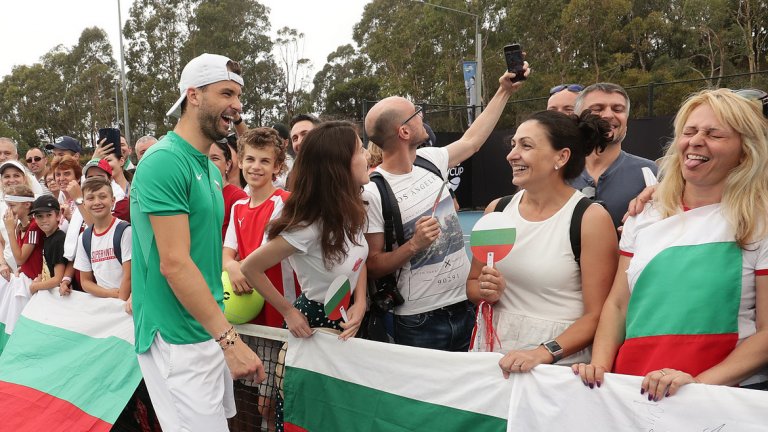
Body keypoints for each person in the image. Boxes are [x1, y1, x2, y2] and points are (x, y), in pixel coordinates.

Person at [575, 88, 768, 399]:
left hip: (720, 400)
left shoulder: (760, 221)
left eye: (714, 134)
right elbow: (618, 305)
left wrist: (698, 384)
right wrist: (600, 367)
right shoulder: (644, 213)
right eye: (689, 132)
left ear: (745, 151)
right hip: (632, 393)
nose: (696, 141)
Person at [130, 52, 264, 431]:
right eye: (226, 93)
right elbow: (174, 263)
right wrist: (230, 340)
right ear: (193, 95)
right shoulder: (164, 161)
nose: (237, 105)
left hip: (207, 327)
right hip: (179, 337)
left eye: (238, 96)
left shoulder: (209, 166)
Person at [362, 66, 528, 351]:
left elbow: (472, 141)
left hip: (465, 303)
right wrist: (414, 245)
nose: (422, 117)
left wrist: (504, 91)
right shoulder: (373, 192)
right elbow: (373, 265)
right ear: (404, 131)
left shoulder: (429, 159)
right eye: (416, 113)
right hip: (418, 320)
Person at [464, 110, 617, 376]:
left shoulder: (590, 219)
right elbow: (473, 286)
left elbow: (598, 316)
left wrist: (543, 353)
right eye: (513, 144)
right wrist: (487, 291)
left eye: (526, 146)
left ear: (561, 157)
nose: (512, 155)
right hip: (493, 356)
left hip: (557, 367)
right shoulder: (496, 210)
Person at [240, 121, 369, 432]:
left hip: (346, 327)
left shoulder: (351, 209)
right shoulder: (307, 226)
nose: (367, 155)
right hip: (311, 331)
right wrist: (289, 312)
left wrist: (360, 302)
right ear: (339, 165)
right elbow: (250, 267)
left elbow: (358, 259)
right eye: (360, 150)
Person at [222, 127, 292, 432]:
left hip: (280, 314)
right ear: (240, 162)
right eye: (250, 159)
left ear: (277, 166)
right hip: (248, 314)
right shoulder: (238, 206)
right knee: (250, 397)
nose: (255, 167)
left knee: (272, 400)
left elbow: (264, 255)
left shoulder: (284, 201)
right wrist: (232, 267)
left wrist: (240, 266)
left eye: (265, 161)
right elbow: (227, 254)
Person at [570, 83, 658, 229]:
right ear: (578, 117)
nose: (608, 115)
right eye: (597, 109)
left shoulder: (651, 173)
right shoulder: (557, 173)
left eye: (617, 109)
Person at [72, 177, 131, 300]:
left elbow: (129, 276)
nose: (97, 202)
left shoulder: (125, 231)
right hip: (105, 304)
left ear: (113, 201)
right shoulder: (84, 238)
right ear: (84, 204)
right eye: (90, 198)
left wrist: (119, 301)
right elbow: (85, 282)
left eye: (102, 197)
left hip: (126, 304)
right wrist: (110, 294)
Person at [28, 195, 68, 295]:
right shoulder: (48, 237)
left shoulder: (58, 239)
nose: (44, 220)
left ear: (58, 216)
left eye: (49, 215)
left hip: (60, 295)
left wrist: (35, 286)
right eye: (39, 216)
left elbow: (58, 279)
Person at [3, 184, 43, 280]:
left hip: (36, 281)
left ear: (27, 204)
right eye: (8, 206)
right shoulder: (20, 227)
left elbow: (20, 259)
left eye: (12, 206)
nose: (8, 210)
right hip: (26, 278)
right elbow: (22, 261)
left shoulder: (34, 227)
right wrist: (22, 269)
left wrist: (10, 231)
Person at [208, 139, 247, 238]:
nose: (208, 163)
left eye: (215, 158)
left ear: (228, 164)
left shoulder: (238, 197)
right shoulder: (195, 193)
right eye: (204, 158)